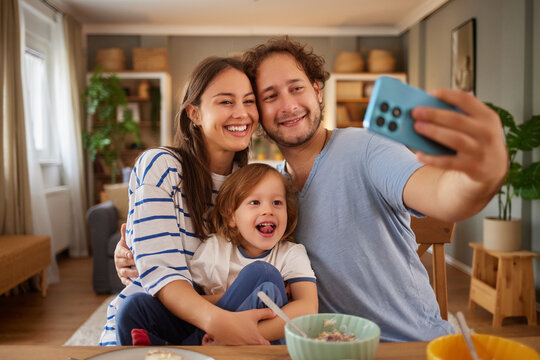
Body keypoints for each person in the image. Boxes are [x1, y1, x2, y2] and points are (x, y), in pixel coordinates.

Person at [115, 37, 508, 342]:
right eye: (268, 96)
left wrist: (481, 173)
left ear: (317, 89)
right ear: (259, 114)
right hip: (323, 346)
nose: (286, 105)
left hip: (406, 345)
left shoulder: (367, 147)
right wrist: (134, 249)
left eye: (296, 88)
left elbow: (443, 195)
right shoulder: (270, 187)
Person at [99, 56, 292, 347]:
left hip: (220, 315)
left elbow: (264, 265)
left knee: (265, 277)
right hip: (166, 316)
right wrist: (221, 324)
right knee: (134, 307)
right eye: (226, 102)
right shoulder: (162, 166)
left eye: (249, 101)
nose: (241, 113)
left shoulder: (254, 185)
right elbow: (161, 274)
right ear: (194, 113)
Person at [115, 163, 317, 346]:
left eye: (277, 203)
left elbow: (307, 308)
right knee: (133, 306)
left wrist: (232, 335)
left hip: (258, 343)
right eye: (255, 202)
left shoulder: (290, 254)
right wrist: (225, 320)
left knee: (263, 274)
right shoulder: (214, 248)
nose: (268, 210)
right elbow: (193, 301)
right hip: (208, 331)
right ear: (231, 217)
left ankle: (188, 349)